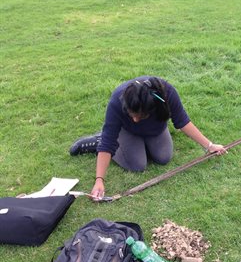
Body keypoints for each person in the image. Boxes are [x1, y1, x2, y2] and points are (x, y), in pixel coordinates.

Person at [69, 76, 226, 200]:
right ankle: (98, 140)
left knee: (163, 157)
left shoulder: (166, 93)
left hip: (154, 130)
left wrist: (209, 145)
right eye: (132, 114)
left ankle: (141, 144)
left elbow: (182, 121)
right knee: (137, 164)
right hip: (127, 131)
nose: (135, 119)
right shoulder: (117, 100)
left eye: (140, 116)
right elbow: (109, 140)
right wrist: (99, 180)